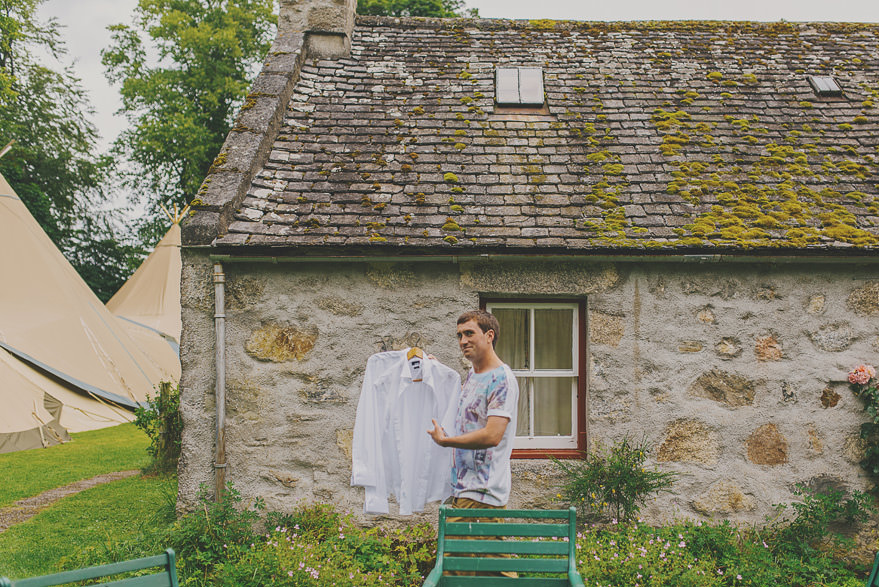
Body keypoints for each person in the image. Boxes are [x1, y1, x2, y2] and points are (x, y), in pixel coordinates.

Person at [427, 309, 519, 577]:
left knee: (462, 569)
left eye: (469, 333)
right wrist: (437, 369)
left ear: (489, 336)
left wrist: (447, 442)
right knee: (487, 566)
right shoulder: (473, 374)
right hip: (464, 488)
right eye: (459, 335)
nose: (462, 340)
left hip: (482, 492)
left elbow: (492, 435)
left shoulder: (502, 379)